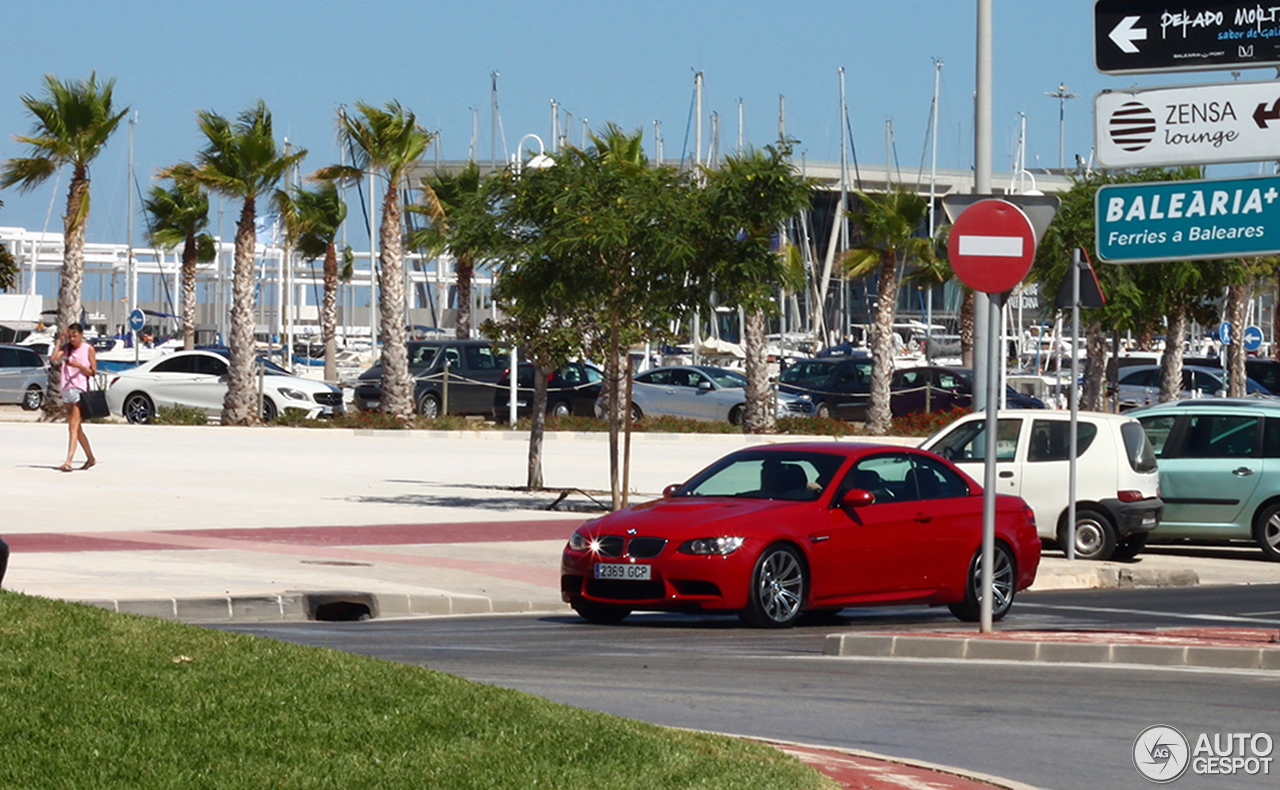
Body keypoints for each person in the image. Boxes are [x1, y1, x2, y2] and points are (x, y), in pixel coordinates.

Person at [49, 323, 98, 472]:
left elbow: (93, 371)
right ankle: (90, 458)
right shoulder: (67, 349)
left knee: (72, 426)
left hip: (79, 388)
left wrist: (79, 366)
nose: (72, 338)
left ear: (81, 334)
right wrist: (60, 340)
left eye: (75, 336)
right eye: (70, 336)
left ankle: (68, 461)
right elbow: (53, 359)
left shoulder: (88, 349)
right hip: (67, 389)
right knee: (77, 428)